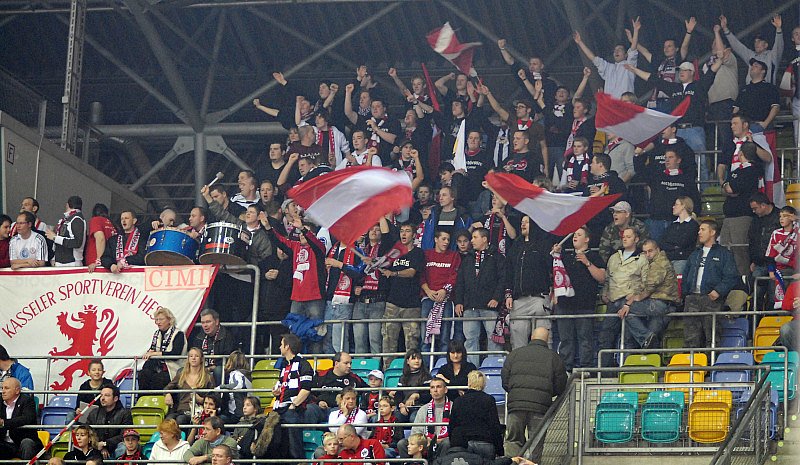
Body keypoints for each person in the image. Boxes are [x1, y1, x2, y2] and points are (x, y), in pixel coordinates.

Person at [502, 327, 567, 462]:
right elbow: (560, 385)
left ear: (531, 337)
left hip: (516, 406)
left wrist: (515, 392)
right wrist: (548, 394)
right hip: (540, 407)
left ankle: (513, 463)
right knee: (536, 442)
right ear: (547, 340)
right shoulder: (554, 358)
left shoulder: (514, 354)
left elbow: (505, 380)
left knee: (513, 440)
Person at [264, 216, 327, 353]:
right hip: (296, 298)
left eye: (305, 232)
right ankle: (294, 360)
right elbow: (280, 241)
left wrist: (303, 228)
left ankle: (315, 361)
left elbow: (315, 242)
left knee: (315, 333)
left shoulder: (319, 249)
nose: (302, 235)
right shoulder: (295, 247)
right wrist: (268, 228)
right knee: (294, 334)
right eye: (300, 233)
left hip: (315, 297)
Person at [552, 226, 605, 373]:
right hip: (565, 304)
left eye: (579, 234)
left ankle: (585, 369)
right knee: (565, 339)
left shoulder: (594, 256)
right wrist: (557, 255)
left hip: (585, 304)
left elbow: (602, 277)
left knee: (585, 339)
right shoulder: (567, 257)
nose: (575, 237)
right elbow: (556, 276)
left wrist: (587, 263)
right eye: (574, 234)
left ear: (587, 239)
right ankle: (565, 369)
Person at [682, 220, 740, 348]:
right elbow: (686, 275)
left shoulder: (724, 253)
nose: (699, 232)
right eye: (699, 229)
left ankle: (711, 359)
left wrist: (718, 291)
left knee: (712, 335)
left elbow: (731, 276)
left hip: (712, 299)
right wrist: (686, 294)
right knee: (690, 337)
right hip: (692, 298)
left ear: (712, 232)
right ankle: (692, 360)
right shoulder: (695, 253)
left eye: (703, 229)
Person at [454, 228, 508, 367]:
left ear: (484, 239)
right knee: (470, 339)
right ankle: (472, 370)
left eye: (475, 237)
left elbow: (503, 279)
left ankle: (493, 368)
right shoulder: (468, 258)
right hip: (469, 306)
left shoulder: (497, 257)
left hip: (489, 306)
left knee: (493, 338)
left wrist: (496, 298)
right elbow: (460, 281)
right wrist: (459, 301)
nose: (471, 240)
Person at [599, 227, 647, 369]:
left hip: (629, 303)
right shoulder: (614, 257)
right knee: (606, 336)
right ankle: (605, 371)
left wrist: (633, 299)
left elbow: (645, 283)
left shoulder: (642, 259)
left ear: (636, 239)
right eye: (623, 236)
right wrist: (604, 293)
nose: (625, 239)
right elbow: (608, 278)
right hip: (613, 301)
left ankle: (627, 370)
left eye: (628, 236)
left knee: (628, 338)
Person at [620, 240, 680, 349]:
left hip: (659, 304)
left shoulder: (659, 263)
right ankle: (646, 339)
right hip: (665, 305)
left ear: (658, 250)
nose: (648, 254)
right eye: (645, 252)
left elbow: (650, 287)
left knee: (624, 308)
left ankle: (645, 336)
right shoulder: (657, 262)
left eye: (650, 251)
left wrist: (633, 300)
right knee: (651, 342)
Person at [272, 333, 324, 459]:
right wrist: (277, 392)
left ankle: (298, 460)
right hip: (280, 408)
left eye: (281, 344)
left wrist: (293, 405)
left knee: (291, 429)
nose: (279, 347)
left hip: (295, 410)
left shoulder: (303, 364)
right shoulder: (284, 365)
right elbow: (283, 385)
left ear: (287, 347)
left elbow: (306, 389)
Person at [381, 223, 425, 368]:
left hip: (411, 305)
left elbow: (411, 272)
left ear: (414, 235)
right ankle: (388, 371)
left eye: (407, 231)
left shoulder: (418, 253)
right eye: (401, 231)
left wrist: (394, 273)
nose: (404, 234)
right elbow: (382, 263)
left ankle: (411, 372)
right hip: (392, 302)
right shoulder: (394, 252)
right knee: (388, 340)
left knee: (411, 342)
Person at [507, 215, 553, 349]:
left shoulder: (544, 244)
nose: (523, 224)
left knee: (543, 341)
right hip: (519, 300)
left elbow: (551, 268)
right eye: (522, 222)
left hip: (539, 298)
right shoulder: (516, 246)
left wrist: (555, 254)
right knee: (518, 342)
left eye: (526, 222)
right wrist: (508, 294)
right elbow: (509, 272)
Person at [721, 141, 765, 275]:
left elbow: (731, 189)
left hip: (742, 217)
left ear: (740, 154)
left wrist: (726, 186)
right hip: (729, 216)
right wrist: (727, 187)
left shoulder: (751, 170)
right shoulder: (738, 171)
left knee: (740, 252)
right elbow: (727, 190)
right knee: (725, 250)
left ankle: (743, 282)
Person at [420, 230, 461, 352]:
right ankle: (426, 363)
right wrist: (428, 291)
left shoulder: (454, 256)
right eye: (443, 239)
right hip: (428, 298)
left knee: (445, 336)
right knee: (425, 335)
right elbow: (421, 275)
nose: (446, 242)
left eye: (448, 240)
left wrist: (444, 290)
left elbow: (454, 276)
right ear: (435, 239)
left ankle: (443, 361)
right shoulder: (426, 254)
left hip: (446, 299)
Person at [573, 22, 639, 98]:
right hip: (610, 104)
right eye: (615, 50)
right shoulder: (608, 68)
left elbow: (633, 50)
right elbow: (594, 58)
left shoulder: (630, 66)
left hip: (625, 103)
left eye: (620, 50)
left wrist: (636, 31)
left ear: (626, 54)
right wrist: (580, 42)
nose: (616, 52)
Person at [448, 370, 504, 458]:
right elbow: (494, 426)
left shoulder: (458, 401)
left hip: (464, 444)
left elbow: (452, 426)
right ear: (483, 384)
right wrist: (500, 450)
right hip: (485, 443)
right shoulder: (489, 400)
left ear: (469, 382)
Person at [722, 14, 784, 84]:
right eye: (755, 42)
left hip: (766, 89)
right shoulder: (751, 55)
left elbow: (779, 46)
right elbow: (737, 46)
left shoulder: (771, 56)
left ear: (766, 45)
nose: (756, 43)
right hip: (750, 88)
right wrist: (725, 29)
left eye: (759, 41)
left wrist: (778, 29)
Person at [139, 307, 187, 391]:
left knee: (158, 379)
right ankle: (142, 398)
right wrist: (149, 352)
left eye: (161, 319)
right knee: (143, 374)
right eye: (156, 320)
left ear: (169, 320)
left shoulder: (179, 334)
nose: (158, 322)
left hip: (173, 368)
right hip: (158, 367)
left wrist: (155, 353)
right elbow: (152, 349)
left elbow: (175, 354)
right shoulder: (157, 334)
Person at [164, 347, 215, 425]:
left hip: (198, 411)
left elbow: (214, 396)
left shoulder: (208, 377)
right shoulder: (181, 375)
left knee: (181, 420)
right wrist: (167, 394)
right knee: (168, 420)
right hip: (181, 409)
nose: (193, 358)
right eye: (191, 356)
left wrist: (202, 400)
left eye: (196, 356)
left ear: (201, 359)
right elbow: (167, 388)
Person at [401, 378, 451, 457]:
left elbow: (456, 432)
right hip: (425, 443)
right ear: (430, 391)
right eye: (432, 387)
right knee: (402, 443)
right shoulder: (423, 409)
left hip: (444, 443)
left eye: (438, 387)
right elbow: (415, 432)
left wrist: (439, 440)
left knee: (447, 442)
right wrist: (425, 440)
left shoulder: (454, 407)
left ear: (445, 390)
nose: (435, 390)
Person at [83, 384, 133, 458]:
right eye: (101, 395)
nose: (102, 398)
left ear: (115, 398)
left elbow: (125, 435)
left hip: (115, 446)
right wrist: (98, 444)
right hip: (97, 446)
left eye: (107, 395)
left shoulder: (125, 413)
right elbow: (88, 432)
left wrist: (106, 444)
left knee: (123, 446)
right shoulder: (94, 413)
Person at [0, 377, 41, 460]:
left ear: (17, 390)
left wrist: (3, 422)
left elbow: (27, 418)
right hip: (5, 444)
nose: (3, 391)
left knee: (27, 443)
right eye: (2, 388)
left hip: (21, 442)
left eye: (6, 388)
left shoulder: (27, 401)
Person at [191, 309, 236, 384]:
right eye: (203, 322)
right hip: (202, 367)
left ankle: (218, 391)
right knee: (181, 371)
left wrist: (211, 368)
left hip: (221, 368)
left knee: (218, 370)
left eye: (208, 322)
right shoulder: (199, 337)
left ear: (217, 322)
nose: (205, 325)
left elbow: (229, 359)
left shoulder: (227, 337)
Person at [660, 197, 701, 275]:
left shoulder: (693, 225)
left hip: (682, 260)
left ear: (683, 206)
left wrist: (671, 244)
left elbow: (683, 242)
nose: (673, 207)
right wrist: (675, 246)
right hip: (668, 259)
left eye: (676, 204)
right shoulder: (672, 225)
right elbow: (662, 242)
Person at [46, 195, 87, 266]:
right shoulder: (68, 219)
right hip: (61, 262)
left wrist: (55, 238)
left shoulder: (77, 219)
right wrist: (54, 258)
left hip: (71, 263)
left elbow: (77, 243)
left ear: (67, 205)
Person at [394, 349, 432, 416]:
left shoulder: (427, 377)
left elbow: (429, 395)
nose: (417, 361)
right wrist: (401, 405)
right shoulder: (403, 378)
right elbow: (398, 394)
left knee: (413, 417)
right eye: (413, 358)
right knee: (398, 416)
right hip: (405, 407)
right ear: (407, 361)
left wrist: (417, 395)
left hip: (421, 407)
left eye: (419, 358)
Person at [217, 350, 252, 423]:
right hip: (243, 411)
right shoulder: (247, 375)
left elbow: (238, 385)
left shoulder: (236, 374)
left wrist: (221, 387)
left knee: (218, 420)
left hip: (237, 414)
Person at [85, 203, 116, 273]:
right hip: (110, 264)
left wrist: (99, 261)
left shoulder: (95, 220)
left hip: (95, 266)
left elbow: (100, 238)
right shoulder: (112, 224)